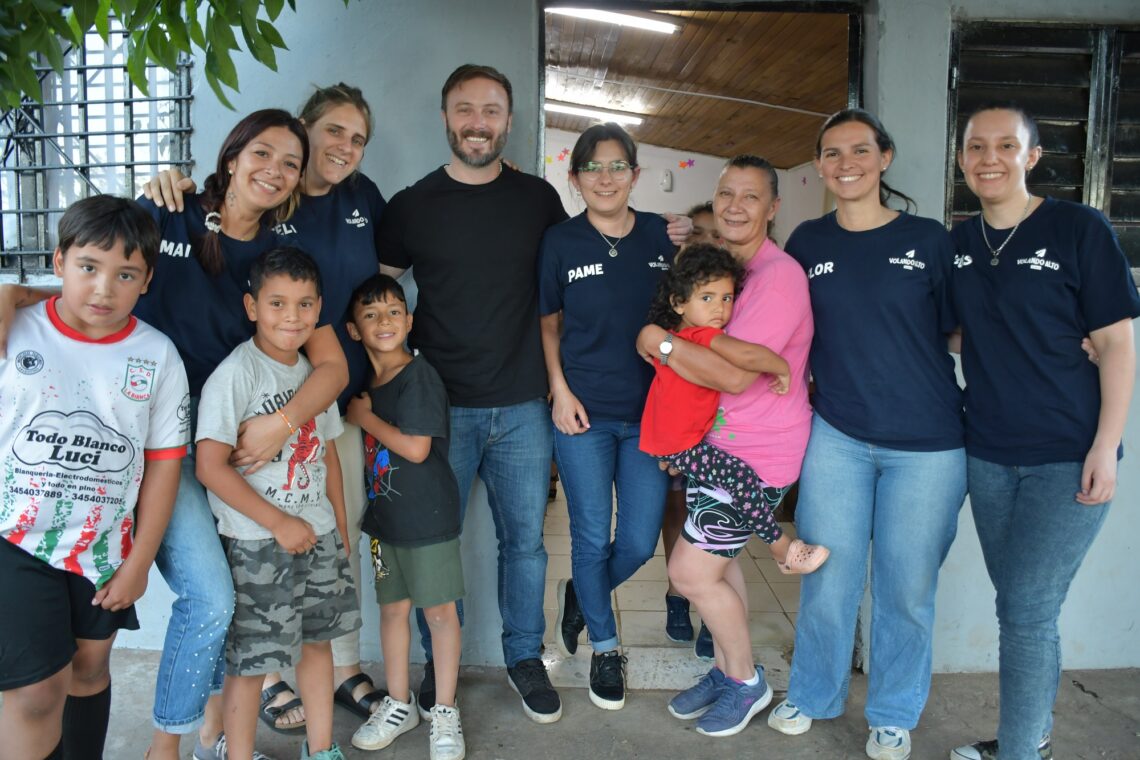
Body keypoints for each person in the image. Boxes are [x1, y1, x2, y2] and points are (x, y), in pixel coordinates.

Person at [376, 64, 691, 724]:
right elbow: (374, 291)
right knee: (437, 543)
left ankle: (524, 656)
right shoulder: (410, 205)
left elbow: (571, 281)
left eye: (491, 110)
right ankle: (441, 665)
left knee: (524, 543)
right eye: (465, 109)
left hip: (523, 404)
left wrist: (677, 231)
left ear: (509, 121)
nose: (478, 122)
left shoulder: (538, 200)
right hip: (440, 407)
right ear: (445, 116)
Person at [144, 83, 389, 728]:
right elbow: (96, 269)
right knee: (214, 595)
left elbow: (331, 362)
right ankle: (193, 733)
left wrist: (282, 423)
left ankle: (222, 727)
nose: (274, 171)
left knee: (234, 587)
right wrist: (20, 297)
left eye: (288, 163)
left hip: (239, 437)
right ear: (231, 157)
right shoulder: (170, 211)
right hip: (159, 436)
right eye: (262, 154)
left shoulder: (282, 252)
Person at [767, 108, 966, 760]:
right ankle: (813, 694)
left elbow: (962, 329)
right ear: (819, 165)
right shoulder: (807, 242)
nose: (845, 163)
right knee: (828, 576)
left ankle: (893, 714)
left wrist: (1058, 342)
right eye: (832, 153)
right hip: (839, 437)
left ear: (885, 157)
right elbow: (770, 310)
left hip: (928, 444)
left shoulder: (928, 239)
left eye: (859, 150)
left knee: (906, 590)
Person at [947, 104, 1139, 760]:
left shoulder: (1077, 227)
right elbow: (957, 330)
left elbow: (1116, 344)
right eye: (976, 147)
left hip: (1068, 453)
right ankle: (1031, 737)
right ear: (962, 159)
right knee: (1022, 608)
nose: (989, 158)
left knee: (1026, 607)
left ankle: (1021, 751)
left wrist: (1105, 447)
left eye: (1006, 145)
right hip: (988, 452)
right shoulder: (960, 243)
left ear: (1031, 157)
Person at [0, 196, 188, 760]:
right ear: (59, 261)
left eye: (125, 274)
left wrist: (138, 564)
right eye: (88, 267)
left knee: (88, 669)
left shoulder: (157, 355)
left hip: (101, 547)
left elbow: (163, 465)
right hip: (13, 539)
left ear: (147, 281)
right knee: (35, 692)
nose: (104, 288)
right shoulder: (15, 329)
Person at [636, 155, 814, 738]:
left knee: (690, 574)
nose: (735, 206)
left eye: (750, 196)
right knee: (721, 565)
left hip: (757, 452)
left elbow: (733, 375)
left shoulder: (777, 276)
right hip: (719, 446)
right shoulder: (727, 271)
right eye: (725, 194)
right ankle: (727, 669)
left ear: (773, 207)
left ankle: (745, 681)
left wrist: (661, 344)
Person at [194, 246, 356, 760]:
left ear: (319, 309)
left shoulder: (315, 376)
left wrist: (340, 528)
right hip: (256, 543)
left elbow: (328, 457)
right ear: (252, 307)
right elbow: (209, 467)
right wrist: (278, 522)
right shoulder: (236, 374)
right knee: (250, 664)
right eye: (278, 303)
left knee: (318, 644)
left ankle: (322, 749)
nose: (292, 316)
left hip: (318, 536)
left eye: (305, 304)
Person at [537, 123, 673, 711]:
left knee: (639, 542)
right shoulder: (560, 241)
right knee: (591, 537)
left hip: (650, 416)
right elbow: (548, 323)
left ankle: (580, 594)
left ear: (635, 175)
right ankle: (606, 648)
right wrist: (558, 390)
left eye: (618, 166)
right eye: (593, 167)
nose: (606, 177)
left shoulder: (662, 235)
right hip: (583, 416)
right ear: (575, 178)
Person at [640, 242, 828, 572]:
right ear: (678, 303)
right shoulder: (699, 335)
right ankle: (781, 547)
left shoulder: (674, 336)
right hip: (680, 443)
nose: (720, 308)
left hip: (677, 441)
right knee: (739, 477)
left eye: (727, 298)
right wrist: (781, 367)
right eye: (707, 298)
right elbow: (746, 355)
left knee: (730, 490)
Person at [345, 274, 465, 760]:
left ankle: (445, 711)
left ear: (409, 321)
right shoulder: (368, 382)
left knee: (438, 613)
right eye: (371, 314)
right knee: (392, 610)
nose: (384, 321)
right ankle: (399, 703)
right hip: (385, 522)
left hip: (427, 520)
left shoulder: (419, 375)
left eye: (394, 311)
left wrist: (365, 418)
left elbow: (416, 449)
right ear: (353, 329)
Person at [662, 201, 722, 650]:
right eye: (697, 232)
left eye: (715, 234)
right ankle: (676, 595)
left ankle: (710, 611)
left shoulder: (730, 296)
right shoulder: (671, 297)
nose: (707, 241)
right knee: (676, 509)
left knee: (717, 518)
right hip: (677, 425)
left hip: (723, 428)